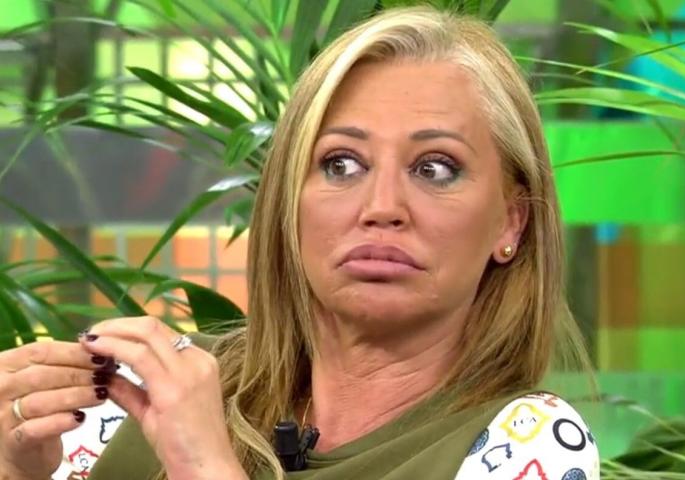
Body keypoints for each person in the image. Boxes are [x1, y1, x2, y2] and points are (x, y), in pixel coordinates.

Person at [1, 7, 600, 480]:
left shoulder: (528, 443)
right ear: (289, 201)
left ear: (511, 223)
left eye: (435, 168)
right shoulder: (155, 388)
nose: (381, 207)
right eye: (341, 164)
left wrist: (203, 464)